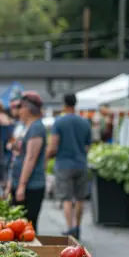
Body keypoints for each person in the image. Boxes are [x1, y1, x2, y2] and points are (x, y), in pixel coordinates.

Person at [47, 93, 91, 240]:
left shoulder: (59, 122)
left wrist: (47, 158)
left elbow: (53, 145)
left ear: (64, 104)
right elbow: (87, 147)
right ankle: (77, 226)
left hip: (63, 164)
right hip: (81, 164)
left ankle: (69, 227)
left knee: (66, 198)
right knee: (79, 198)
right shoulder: (85, 123)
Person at [6, 92, 47, 231]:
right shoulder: (26, 127)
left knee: (28, 226)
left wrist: (22, 185)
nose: (18, 111)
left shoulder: (36, 127)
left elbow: (31, 158)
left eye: (21, 107)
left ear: (29, 109)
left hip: (31, 186)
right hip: (20, 184)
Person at [0, 99, 16, 189]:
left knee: (0, 164)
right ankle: (6, 183)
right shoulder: (7, 117)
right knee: (7, 165)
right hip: (7, 143)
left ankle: (2, 183)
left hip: (0, 142)